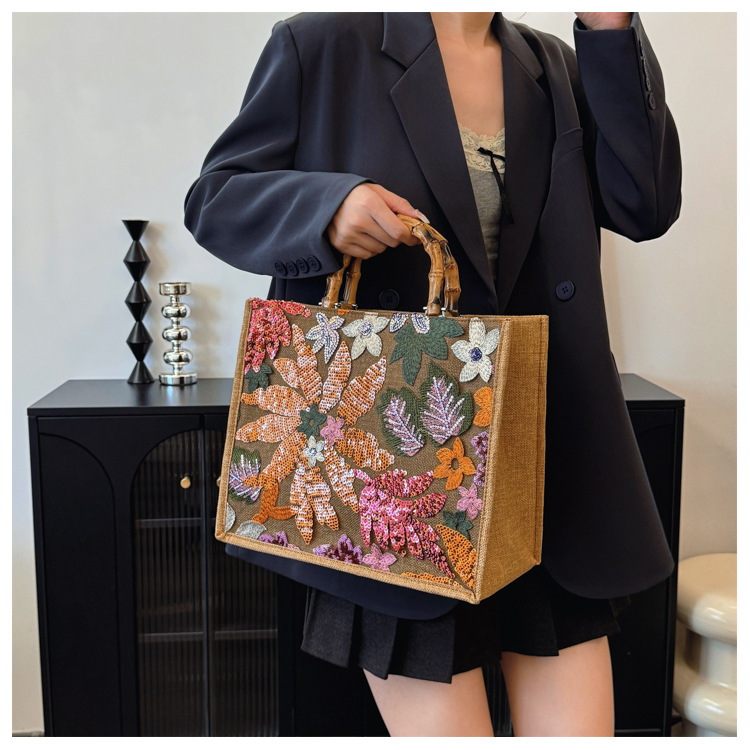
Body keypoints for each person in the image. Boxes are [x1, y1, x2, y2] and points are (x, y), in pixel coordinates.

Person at [184, 11, 681, 737]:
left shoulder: (554, 64)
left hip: (545, 470)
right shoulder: (324, 45)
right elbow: (215, 198)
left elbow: (645, 205)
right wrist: (327, 207)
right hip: (403, 472)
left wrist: (609, 27)